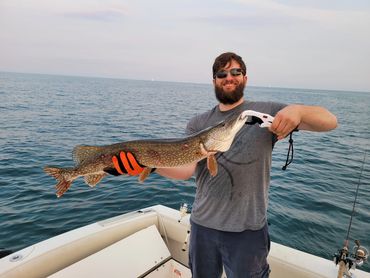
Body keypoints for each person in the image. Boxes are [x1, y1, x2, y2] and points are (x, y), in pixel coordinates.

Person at [111, 52, 338, 278]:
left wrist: (298, 110)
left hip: (248, 231)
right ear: (214, 81)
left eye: (235, 72)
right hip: (203, 227)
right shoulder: (198, 123)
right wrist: (147, 166)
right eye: (222, 74)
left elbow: (329, 121)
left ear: (245, 78)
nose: (229, 77)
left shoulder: (266, 111)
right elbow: (186, 170)